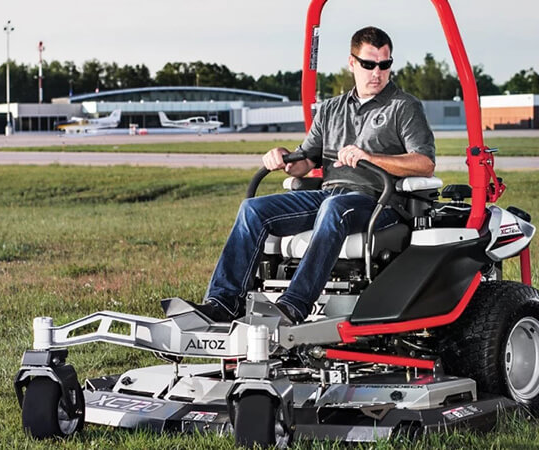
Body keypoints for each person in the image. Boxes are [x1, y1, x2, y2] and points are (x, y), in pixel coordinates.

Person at [182, 26, 436, 324]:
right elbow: (305, 159)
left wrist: (370, 157)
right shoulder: (331, 109)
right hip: (330, 194)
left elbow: (424, 162)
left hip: (379, 202)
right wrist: (282, 157)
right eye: (369, 64)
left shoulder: (404, 107)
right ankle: (223, 302)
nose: (377, 72)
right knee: (252, 209)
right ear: (352, 63)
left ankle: (294, 306)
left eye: (384, 64)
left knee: (334, 208)